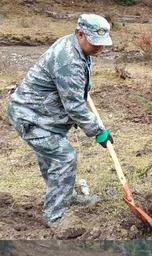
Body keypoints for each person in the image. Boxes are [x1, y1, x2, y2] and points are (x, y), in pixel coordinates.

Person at [7, 14, 113, 238]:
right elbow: (74, 106)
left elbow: (71, 88)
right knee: (64, 157)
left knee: (52, 158)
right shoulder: (69, 59)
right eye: (94, 42)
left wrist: (82, 83)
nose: (99, 48)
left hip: (43, 114)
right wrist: (98, 131)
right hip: (32, 117)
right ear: (80, 34)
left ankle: (64, 194)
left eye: (102, 43)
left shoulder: (75, 47)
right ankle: (54, 215)